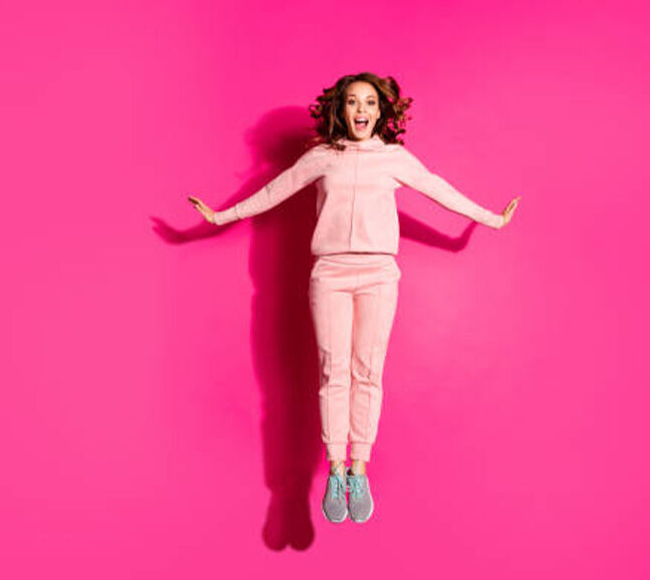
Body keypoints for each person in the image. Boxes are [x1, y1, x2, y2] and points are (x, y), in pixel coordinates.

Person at [189, 72, 520, 524]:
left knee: (368, 371)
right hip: (330, 273)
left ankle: (358, 468)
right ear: (340, 110)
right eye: (351, 102)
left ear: (381, 111)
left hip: (379, 274)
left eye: (368, 101)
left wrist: (491, 219)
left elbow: (438, 188)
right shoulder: (322, 157)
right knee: (333, 369)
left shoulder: (394, 159)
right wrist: (221, 215)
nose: (360, 109)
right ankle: (336, 468)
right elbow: (273, 190)